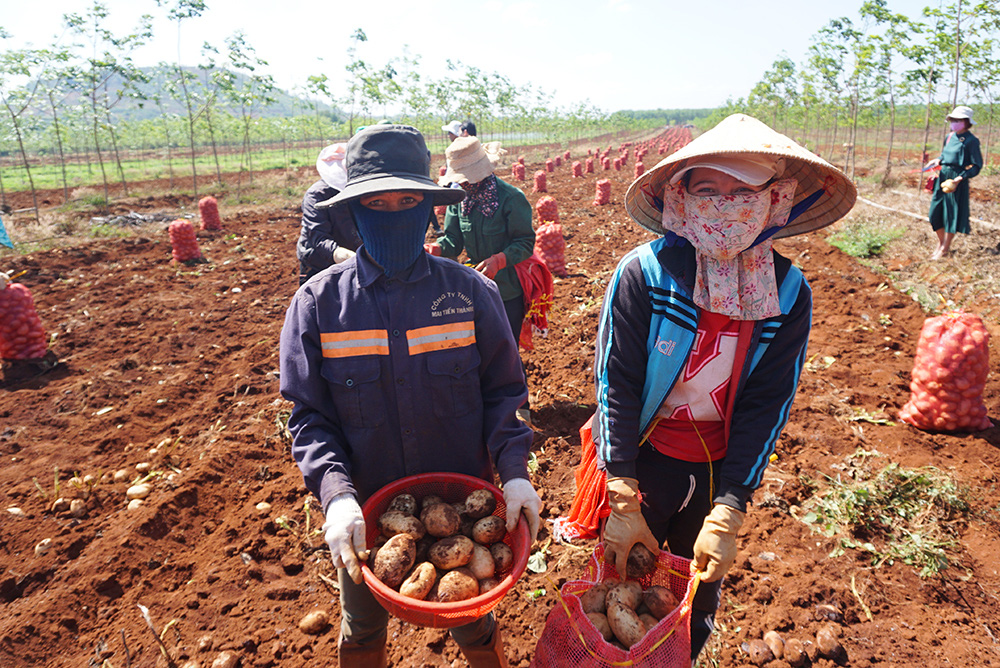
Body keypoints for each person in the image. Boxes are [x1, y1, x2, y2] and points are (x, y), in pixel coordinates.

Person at [594, 113, 856, 661]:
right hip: (644, 462)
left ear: (774, 200)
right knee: (619, 594)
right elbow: (616, 384)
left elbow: (768, 403)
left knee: (693, 601)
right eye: (707, 189)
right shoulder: (643, 274)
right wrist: (621, 493)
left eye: (742, 192)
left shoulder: (787, 293)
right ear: (681, 196)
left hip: (714, 470)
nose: (723, 205)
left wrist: (731, 507)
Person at [280, 124, 542, 668]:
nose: (393, 213)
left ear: (428, 208)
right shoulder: (319, 305)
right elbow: (309, 417)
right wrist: (337, 495)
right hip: (368, 517)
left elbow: (503, 394)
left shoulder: (470, 293)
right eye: (377, 202)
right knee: (362, 627)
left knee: (473, 621)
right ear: (353, 213)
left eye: (407, 201)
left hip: (464, 511)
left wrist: (514, 470)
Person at [424, 137, 536, 425]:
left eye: (466, 180)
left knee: (506, 346)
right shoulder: (457, 201)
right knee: (473, 345)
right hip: (473, 285)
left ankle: (519, 404)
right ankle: (484, 402)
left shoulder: (511, 198)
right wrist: (436, 249)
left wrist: (501, 259)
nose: (463, 184)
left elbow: (525, 241)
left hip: (507, 287)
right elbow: (452, 241)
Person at [296, 143, 363, 285]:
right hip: (319, 262)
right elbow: (318, 236)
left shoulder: (360, 193)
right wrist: (339, 253)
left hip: (353, 257)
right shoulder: (317, 195)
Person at [926, 105, 982, 259]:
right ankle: (940, 242)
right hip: (943, 176)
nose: (954, 123)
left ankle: (944, 248)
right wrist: (937, 160)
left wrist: (958, 179)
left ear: (966, 122)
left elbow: (977, 166)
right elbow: (944, 155)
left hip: (957, 179)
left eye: (958, 120)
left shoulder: (971, 141)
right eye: (953, 120)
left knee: (951, 214)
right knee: (934, 213)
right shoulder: (949, 137)